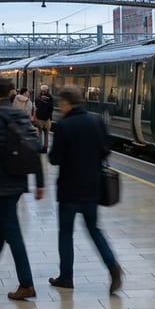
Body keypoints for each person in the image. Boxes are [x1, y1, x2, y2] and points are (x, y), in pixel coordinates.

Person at [0, 77, 45, 300]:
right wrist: (40, 181)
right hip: (18, 178)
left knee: (12, 231)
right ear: (11, 93)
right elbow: (34, 148)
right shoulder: (21, 116)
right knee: (4, 225)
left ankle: (26, 283)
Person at [47, 85, 122, 294]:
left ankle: (66, 277)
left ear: (65, 103)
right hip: (92, 185)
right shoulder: (96, 120)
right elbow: (106, 149)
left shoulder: (64, 125)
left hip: (69, 188)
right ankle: (112, 265)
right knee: (94, 229)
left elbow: (54, 159)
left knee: (65, 233)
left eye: (60, 103)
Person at [34, 84, 54, 152]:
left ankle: (41, 147)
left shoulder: (38, 97)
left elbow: (37, 105)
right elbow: (51, 108)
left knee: (40, 133)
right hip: (46, 119)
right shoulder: (50, 98)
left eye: (43, 91)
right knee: (46, 134)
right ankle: (45, 147)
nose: (43, 92)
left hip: (40, 118)